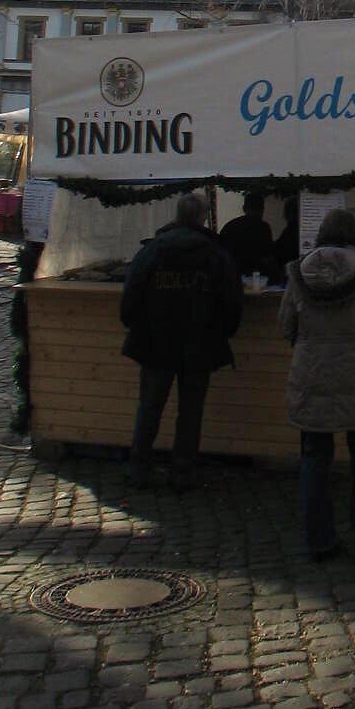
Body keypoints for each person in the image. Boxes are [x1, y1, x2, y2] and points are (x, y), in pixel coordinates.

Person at [279, 208, 355, 557]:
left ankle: (319, 537)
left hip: (312, 375)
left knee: (315, 454)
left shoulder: (300, 271)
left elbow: (286, 324)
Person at [120, 190, 243, 490]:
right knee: (190, 412)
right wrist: (224, 332)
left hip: (156, 341)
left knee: (149, 407)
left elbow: (131, 293)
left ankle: (139, 468)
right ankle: (182, 472)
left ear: (177, 215)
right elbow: (231, 300)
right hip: (199, 344)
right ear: (203, 218)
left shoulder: (154, 249)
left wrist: (135, 324)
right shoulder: (215, 254)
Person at [218, 191, 275, 279]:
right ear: (262, 209)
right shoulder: (263, 228)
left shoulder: (230, 226)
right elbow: (267, 256)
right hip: (257, 276)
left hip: (232, 274)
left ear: (244, 208)